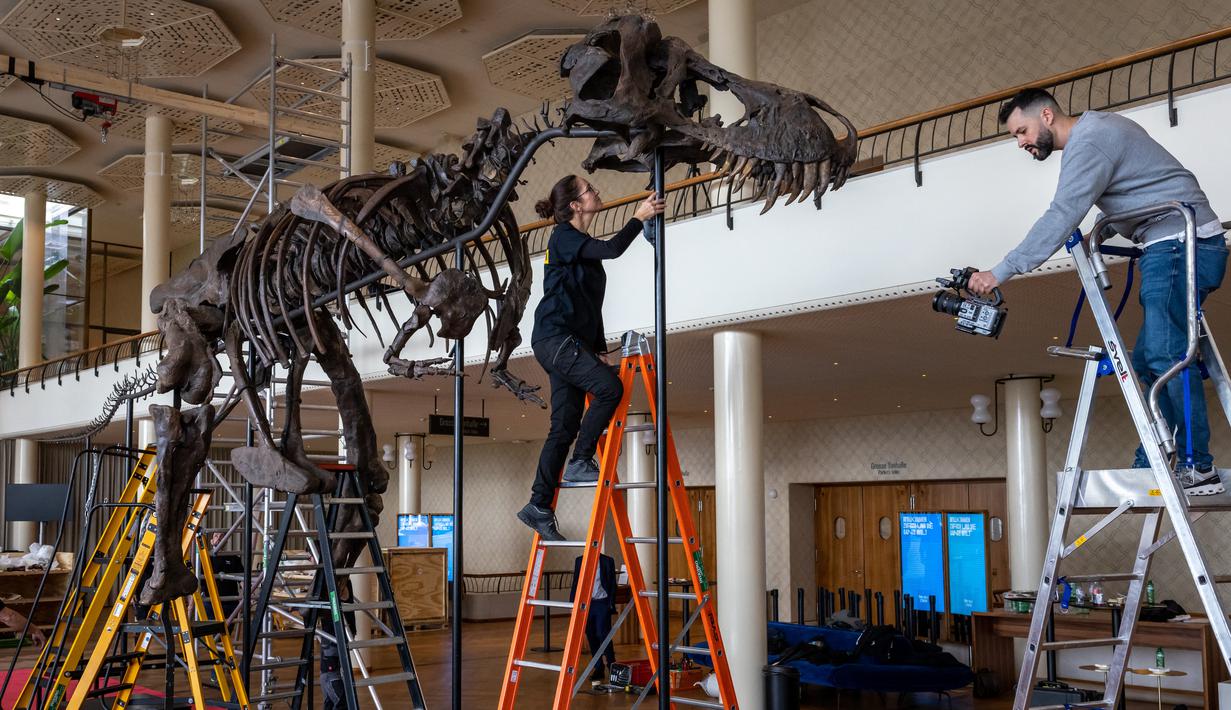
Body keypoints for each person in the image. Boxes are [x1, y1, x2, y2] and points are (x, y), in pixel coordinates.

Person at [967, 88, 1227, 495]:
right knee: (1146, 357)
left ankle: (1198, 466)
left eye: (1022, 131)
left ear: (1047, 116)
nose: (1021, 142)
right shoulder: (1099, 131)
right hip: (1173, 242)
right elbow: (1135, 186)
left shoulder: (1090, 141)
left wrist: (1000, 272)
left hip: (1179, 242)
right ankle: (1162, 453)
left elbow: (1062, 212)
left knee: (1167, 354)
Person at [517, 176, 665, 540]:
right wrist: (638, 216)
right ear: (575, 205)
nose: (597, 192)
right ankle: (581, 461)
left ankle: (538, 505)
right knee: (609, 390)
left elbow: (589, 308)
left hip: (564, 341)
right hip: (555, 338)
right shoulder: (564, 237)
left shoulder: (578, 245)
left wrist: (596, 348)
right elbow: (614, 249)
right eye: (590, 190)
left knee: (564, 425)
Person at [570, 553, 617, 684]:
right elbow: (576, 582)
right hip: (586, 604)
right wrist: (572, 603)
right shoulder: (579, 561)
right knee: (591, 635)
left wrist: (611, 604)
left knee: (603, 634)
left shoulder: (608, 561)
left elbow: (612, 583)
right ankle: (598, 668)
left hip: (602, 602)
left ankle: (612, 666)